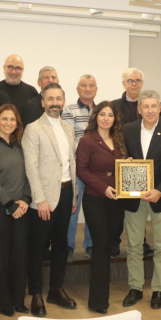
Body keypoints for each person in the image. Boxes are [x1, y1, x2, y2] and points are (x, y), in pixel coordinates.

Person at [121, 90, 161, 310]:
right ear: (139, 109)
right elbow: (121, 157)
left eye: (153, 106)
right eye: (145, 106)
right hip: (134, 197)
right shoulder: (128, 129)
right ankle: (135, 287)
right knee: (134, 245)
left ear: (160, 108)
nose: (149, 110)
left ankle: (158, 289)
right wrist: (125, 160)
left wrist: (160, 190)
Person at [22, 83, 78, 317]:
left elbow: (71, 163)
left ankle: (56, 289)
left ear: (63, 101)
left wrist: (73, 195)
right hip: (44, 199)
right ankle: (36, 294)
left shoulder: (68, 128)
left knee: (61, 246)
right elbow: (31, 167)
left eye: (58, 99)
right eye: (50, 99)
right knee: (37, 247)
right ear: (42, 102)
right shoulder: (33, 129)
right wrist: (40, 199)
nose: (55, 103)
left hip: (65, 194)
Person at [0, 104, 32, 316]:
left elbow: (31, 172)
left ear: (17, 123)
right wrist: (9, 204)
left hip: (22, 207)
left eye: (12, 119)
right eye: (4, 119)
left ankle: (18, 300)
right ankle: (3, 303)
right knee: (0, 257)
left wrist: (26, 199)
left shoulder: (22, 144)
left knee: (20, 256)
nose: (8, 123)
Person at [77, 101, 127, 314]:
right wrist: (104, 188)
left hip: (116, 200)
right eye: (102, 114)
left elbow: (121, 167)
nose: (106, 118)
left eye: (110, 115)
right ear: (95, 117)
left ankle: (102, 296)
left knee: (109, 245)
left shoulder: (119, 140)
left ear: (115, 119)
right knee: (100, 246)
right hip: (95, 199)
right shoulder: (87, 140)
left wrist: (128, 163)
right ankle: (98, 301)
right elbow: (82, 170)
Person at [110, 67, 153, 258]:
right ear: (124, 83)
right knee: (118, 206)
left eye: (137, 81)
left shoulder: (148, 106)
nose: (134, 84)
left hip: (142, 164)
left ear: (142, 84)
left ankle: (141, 242)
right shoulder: (114, 106)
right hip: (120, 162)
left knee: (139, 205)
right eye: (130, 81)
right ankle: (114, 242)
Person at [62, 75, 98, 260]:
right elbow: (70, 140)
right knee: (72, 209)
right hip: (76, 167)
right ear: (78, 89)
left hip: (96, 170)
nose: (88, 88)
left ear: (96, 89)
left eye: (91, 85)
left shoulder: (101, 111)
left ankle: (90, 245)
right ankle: (68, 246)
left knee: (93, 209)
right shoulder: (69, 110)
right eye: (84, 85)